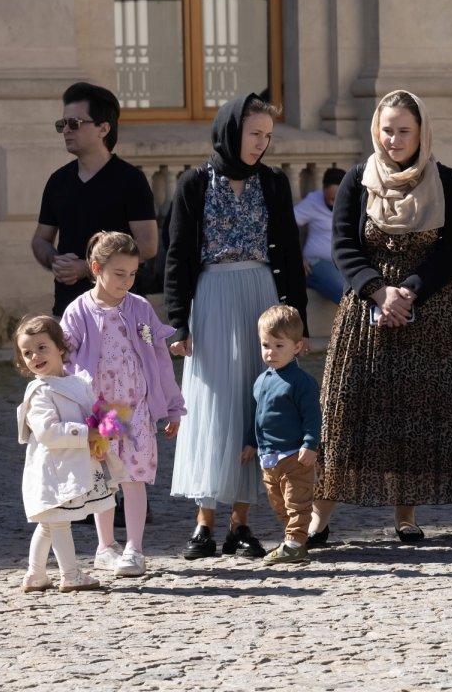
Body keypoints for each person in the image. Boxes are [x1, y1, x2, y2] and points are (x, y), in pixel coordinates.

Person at [315, 90, 452, 543]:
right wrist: (377, 291)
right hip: (365, 312)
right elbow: (343, 247)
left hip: (428, 313)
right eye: (387, 129)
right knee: (345, 410)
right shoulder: (356, 180)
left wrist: (408, 291)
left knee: (414, 413)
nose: (393, 139)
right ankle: (319, 518)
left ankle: (405, 515)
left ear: (421, 132)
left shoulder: (448, 182)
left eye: (403, 131)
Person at [165, 93, 306, 560]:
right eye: (254, 134)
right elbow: (178, 256)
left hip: (261, 295)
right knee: (213, 402)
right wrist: (177, 323)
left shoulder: (273, 183)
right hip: (213, 298)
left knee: (256, 402)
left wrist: (296, 322)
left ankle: (240, 524)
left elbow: (288, 249)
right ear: (230, 130)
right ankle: (203, 524)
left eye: (268, 136)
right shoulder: (193, 184)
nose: (261, 144)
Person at [59, 231, 184, 577]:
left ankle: (135, 548)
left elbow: (159, 359)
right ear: (96, 268)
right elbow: (66, 365)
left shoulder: (140, 307)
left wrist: (173, 406)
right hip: (100, 413)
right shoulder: (78, 311)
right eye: (119, 274)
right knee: (103, 478)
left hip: (137, 411)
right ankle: (105, 546)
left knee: (134, 477)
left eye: (132, 274)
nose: (127, 281)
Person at [14, 315, 127, 593]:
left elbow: (90, 413)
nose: (35, 356)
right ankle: (71, 574)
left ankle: (35, 575)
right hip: (53, 467)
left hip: (73, 462)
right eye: (27, 353)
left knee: (50, 523)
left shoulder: (77, 382)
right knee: (58, 521)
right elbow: (49, 432)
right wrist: (86, 434)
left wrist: (103, 427)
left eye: (42, 348)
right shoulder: (41, 392)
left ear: (60, 348)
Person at [32, 82, 158, 316]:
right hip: (69, 310)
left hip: (120, 311)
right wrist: (55, 260)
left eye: (75, 123)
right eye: (62, 124)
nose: (67, 130)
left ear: (103, 129)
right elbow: (40, 240)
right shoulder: (58, 181)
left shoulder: (131, 180)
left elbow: (148, 245)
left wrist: (88, 268)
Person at [246, 305, 320, 565]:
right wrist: (250, 442)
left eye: (279, 346)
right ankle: (294, 538)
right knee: (279, 503)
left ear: (296, 347)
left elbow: (312, 417)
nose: (271, 352)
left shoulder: (301, 382)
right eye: (266, 345)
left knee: (297, 501)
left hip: (294, 455)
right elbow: (257, 416)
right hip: (269, 458)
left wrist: (310, 445)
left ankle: (295, 542)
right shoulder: (261, 380)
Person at [295, 167, 346, 303]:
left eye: (337, 199)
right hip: (315, 264)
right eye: (329, 199)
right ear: (323, 189)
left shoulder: (355, 202)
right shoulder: (313, 201)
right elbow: (284, 226)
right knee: (344, 292)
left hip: (345, 265)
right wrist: (295, 258)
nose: (333, 203)